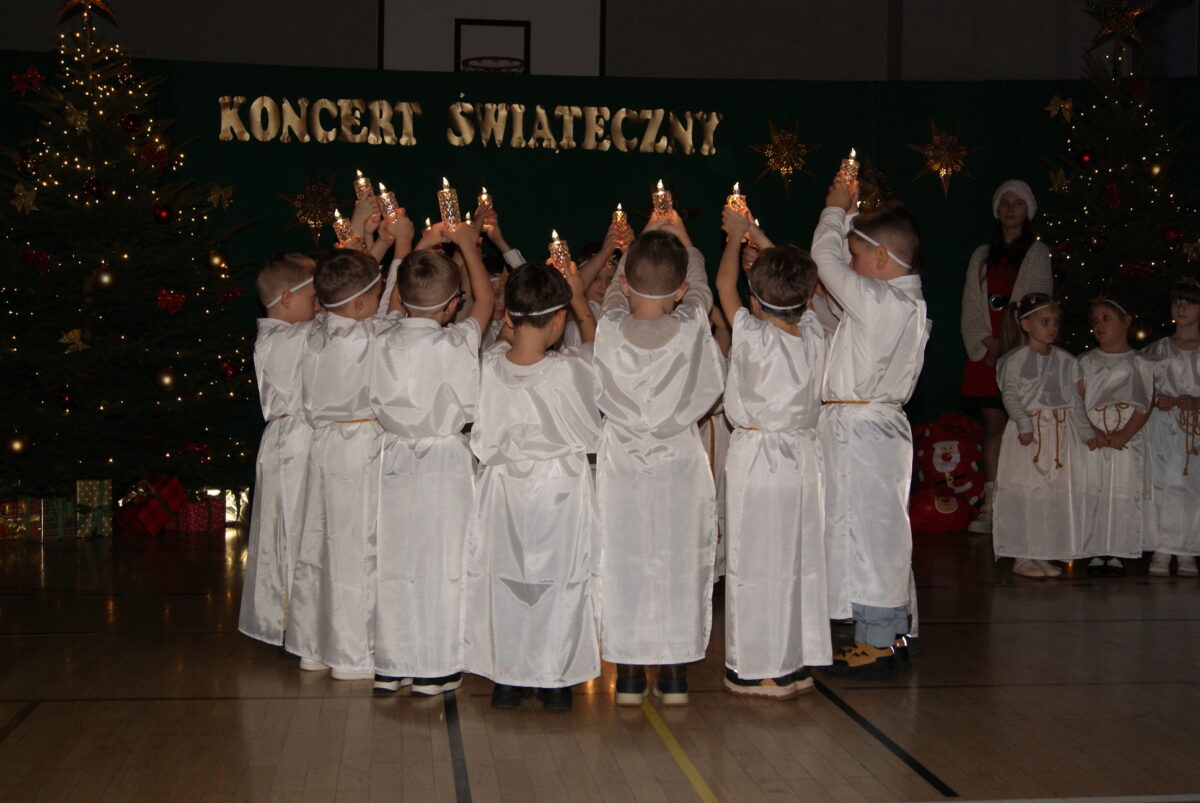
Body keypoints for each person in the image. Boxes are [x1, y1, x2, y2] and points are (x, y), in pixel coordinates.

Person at [594, 212, 725, 705]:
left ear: (625, 284)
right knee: (679, 559)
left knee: (623, 558)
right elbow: (702, 290)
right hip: (678, 463)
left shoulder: (610, 325)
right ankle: (674, 676)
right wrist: (684, 238)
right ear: (680, 291)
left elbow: (613, 295)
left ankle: (629, 674)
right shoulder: (692, 323)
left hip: (623, 464)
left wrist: (630, 247)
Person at [462, 260, 602, 712]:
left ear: (508, 316)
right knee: (561, 580)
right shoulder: (571, 369)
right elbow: (600, 361)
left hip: (503, 488)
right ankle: (554, 678)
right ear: (559, 320)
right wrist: (581, 304)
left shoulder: (487, 366)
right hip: (560, 488)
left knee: (505, 578)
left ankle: (508, 677)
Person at [810, 175, 930, 675]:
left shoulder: (884, 302)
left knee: (869, 537)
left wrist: (835, 209)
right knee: (872, 532)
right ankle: (886, 629)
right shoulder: (897, 301)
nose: (851, 264)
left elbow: (824, 260)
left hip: (863, 433)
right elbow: (830, 290)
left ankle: (879, 637)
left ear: (881, 257)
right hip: (866, 429)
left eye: (857, 255)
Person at [369, 221, 492, 697]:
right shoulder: (454, 340)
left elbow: (395, 300)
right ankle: (435, 666)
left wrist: (416, 247)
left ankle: (392, 663)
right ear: (452, 304)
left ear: (400, 296)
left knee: (395, 559)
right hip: (443, 463)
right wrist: (465, 245)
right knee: (443, 559)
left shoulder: (382, 333)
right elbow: (485, 302)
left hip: (394, 459)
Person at [716, 208, 829, 698]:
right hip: (803, 459)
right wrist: (759, 235)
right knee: (796, 556)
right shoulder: (816, 333)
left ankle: (758, 665)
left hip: (759, 460)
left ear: (755, 298)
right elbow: (804, 283)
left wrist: (735, 236)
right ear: (808, 296)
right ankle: (793, 660)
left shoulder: (752, 333)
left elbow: (723, 283)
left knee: (754, 559)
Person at [285, 249, 385, 680]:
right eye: (377, 295)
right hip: (357, 447)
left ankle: (313, 644)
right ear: (361, 303)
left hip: (323, 446)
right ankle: (352, 652)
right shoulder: (368, 336)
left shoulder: (315, 331)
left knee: (319, 544)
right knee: (355, 545)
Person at [960, 180, 1052, 534]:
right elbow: (971, 304)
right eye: (1005, 203)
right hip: (987, 353)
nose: (1010, 209)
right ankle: (993, 504)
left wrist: (1011, 345)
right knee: (994, 426)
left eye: (1017, 203)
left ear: (1028, 211)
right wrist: (989, 343)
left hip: (1020, 350)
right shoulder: (981, 255)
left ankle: (1024, 502)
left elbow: (1039, 303)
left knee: (1024, 426)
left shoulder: (1037, 253)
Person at [239, 253, 320, 648]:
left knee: (302, 529)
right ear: (287, 297)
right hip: (291, 445)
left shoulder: (289, 333)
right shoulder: (281, 338)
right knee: (290, 529)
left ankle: (303, 619)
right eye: (314, 298)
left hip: (299, 441)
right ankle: (292, 623)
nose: (319, 307)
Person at [992, 293, 1092, 578]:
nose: (1051, 328)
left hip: (1059, 435)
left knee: (1051, 494)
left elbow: (1074, 401)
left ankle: (1043, 552)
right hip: (1030, 435)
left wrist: (1086, 433)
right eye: (1044, 322)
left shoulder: (1066, 360)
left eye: (1055, 322)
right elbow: (1011, 395)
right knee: (1026, 491)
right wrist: (1024, 424)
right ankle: (1022, 555)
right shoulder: (1015, 360)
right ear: (1026, 325)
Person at [1078, 297, 1154, 576]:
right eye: (1095, 320)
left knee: (1123, 488)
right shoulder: (1085, 362)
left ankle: (1119, 549)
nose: (1099, 324)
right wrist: (1093, 430)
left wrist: (1126, 433)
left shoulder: (1141, 362)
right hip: (1096, 434)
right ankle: (1095, 549)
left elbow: (1145, 402)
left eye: (1106, 318)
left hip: (1126, 436)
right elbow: (1078, 399)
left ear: (1126, 321)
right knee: (1095, 488)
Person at [1143, 279, 1200, 577]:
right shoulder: (1157, 350)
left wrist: (1197, 402)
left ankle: (1188, 550)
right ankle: (1162, 548)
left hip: (1194, 431)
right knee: (1163, 484)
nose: (1181, 307)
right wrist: (1157, 400)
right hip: (1164, 428)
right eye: (1177, 301)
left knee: (1191, 487)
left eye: (1189, 302)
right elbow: (1140, 388)